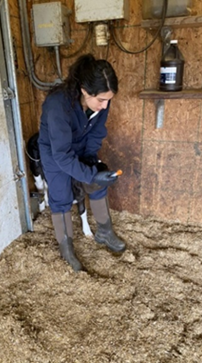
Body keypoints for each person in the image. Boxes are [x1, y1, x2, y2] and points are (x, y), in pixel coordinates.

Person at [38, 54, 126, 272]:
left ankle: (105, 232)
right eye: (101, 100)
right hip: (55, 152)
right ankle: (66, 248)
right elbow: (62, 155)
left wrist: (92, 164)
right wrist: (89, 174)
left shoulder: (100, 103)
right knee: (61, 197)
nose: (105, 105)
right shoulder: (58, 105)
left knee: (97, 182)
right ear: (85, 91)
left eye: (109, 100)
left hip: (81, 145)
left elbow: (96, 133)